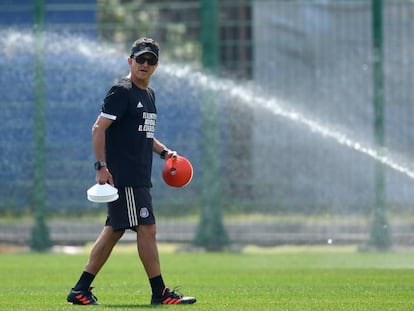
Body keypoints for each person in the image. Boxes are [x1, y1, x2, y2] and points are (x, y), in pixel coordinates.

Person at [66, 37, 196, 306]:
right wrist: (101, 167)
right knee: (147, 228)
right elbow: (98, 128)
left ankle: (80, 290)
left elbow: (144, 133)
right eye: (140, 59)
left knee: (114, 230)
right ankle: (159, 292)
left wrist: (163, 152)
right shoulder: (121, 91)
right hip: (124, 177)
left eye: (150, 60)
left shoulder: (148, 95)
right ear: (130, 61)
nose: (144, 64)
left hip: (139, 175)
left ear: (157, 65)